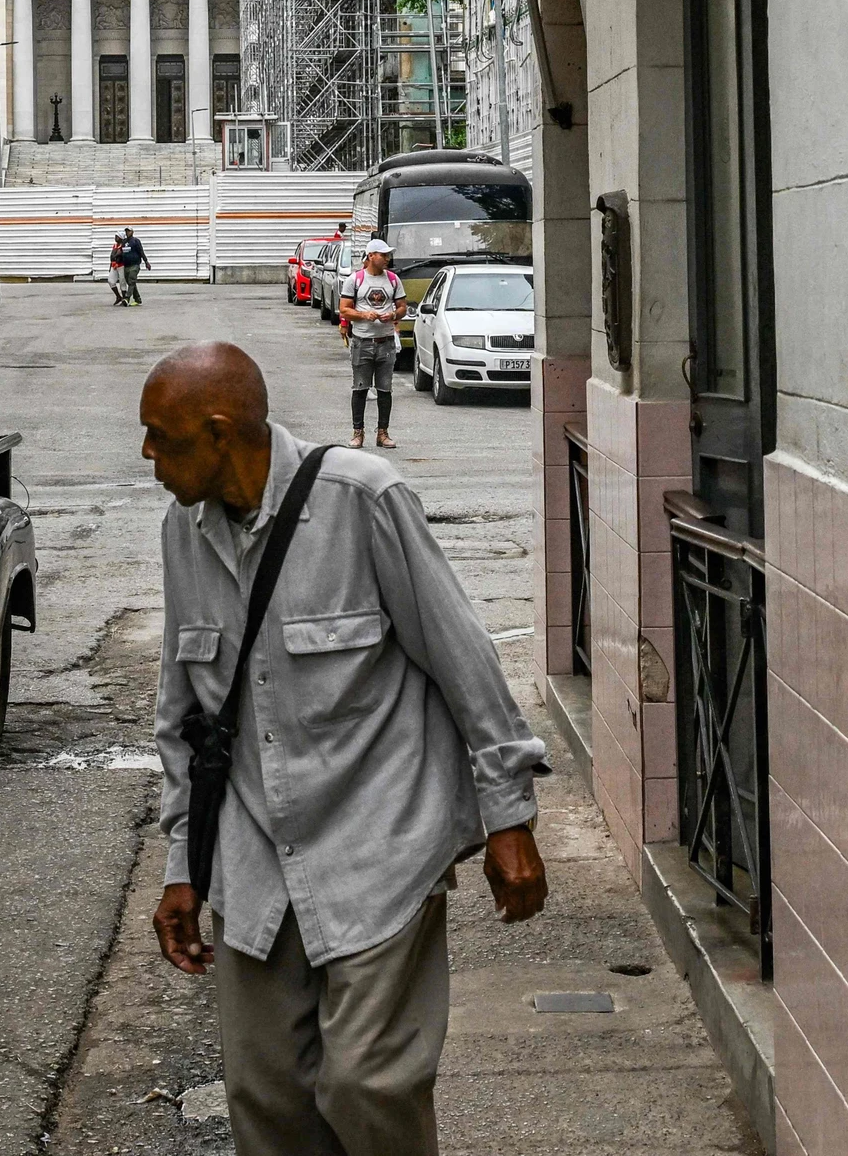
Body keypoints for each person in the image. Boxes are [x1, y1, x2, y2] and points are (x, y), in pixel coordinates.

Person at [138, 341, 548, 1156]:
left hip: (379, 847)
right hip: (255, 860)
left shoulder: (363, 499)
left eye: (162, 436)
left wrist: (509, 816)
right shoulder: (182, 532)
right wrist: (184, 864)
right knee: (266, 1099)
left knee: (368, 1084)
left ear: (219, 432)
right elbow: (182, 719)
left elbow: (464, 659)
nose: (148, 454)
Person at [339, 239, 404, 449]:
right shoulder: (355, 280)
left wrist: (393, 315)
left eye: (388, 255)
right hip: (362, 342)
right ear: (371, 256)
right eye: (383, 255)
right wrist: (363, 315)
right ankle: (358, 433)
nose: (387, 259)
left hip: (386, 342)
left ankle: (383, 433)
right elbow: (344, 309)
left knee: (385, 389)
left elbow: (402, 307)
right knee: (360, 388)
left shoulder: (393, 280)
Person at [110, 226, 150, 306]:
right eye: (126, 231)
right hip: (126, 265)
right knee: (130, 282)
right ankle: (137, 299)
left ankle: (127, 298)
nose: (127, 233)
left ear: (132, 232)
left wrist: (146, 262)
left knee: (131, 281)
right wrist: (116, 257)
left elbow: (141, 252)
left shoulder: (135, 241)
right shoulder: (124, 242)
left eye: (129, 231)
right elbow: (120, 252)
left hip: (134, 265)